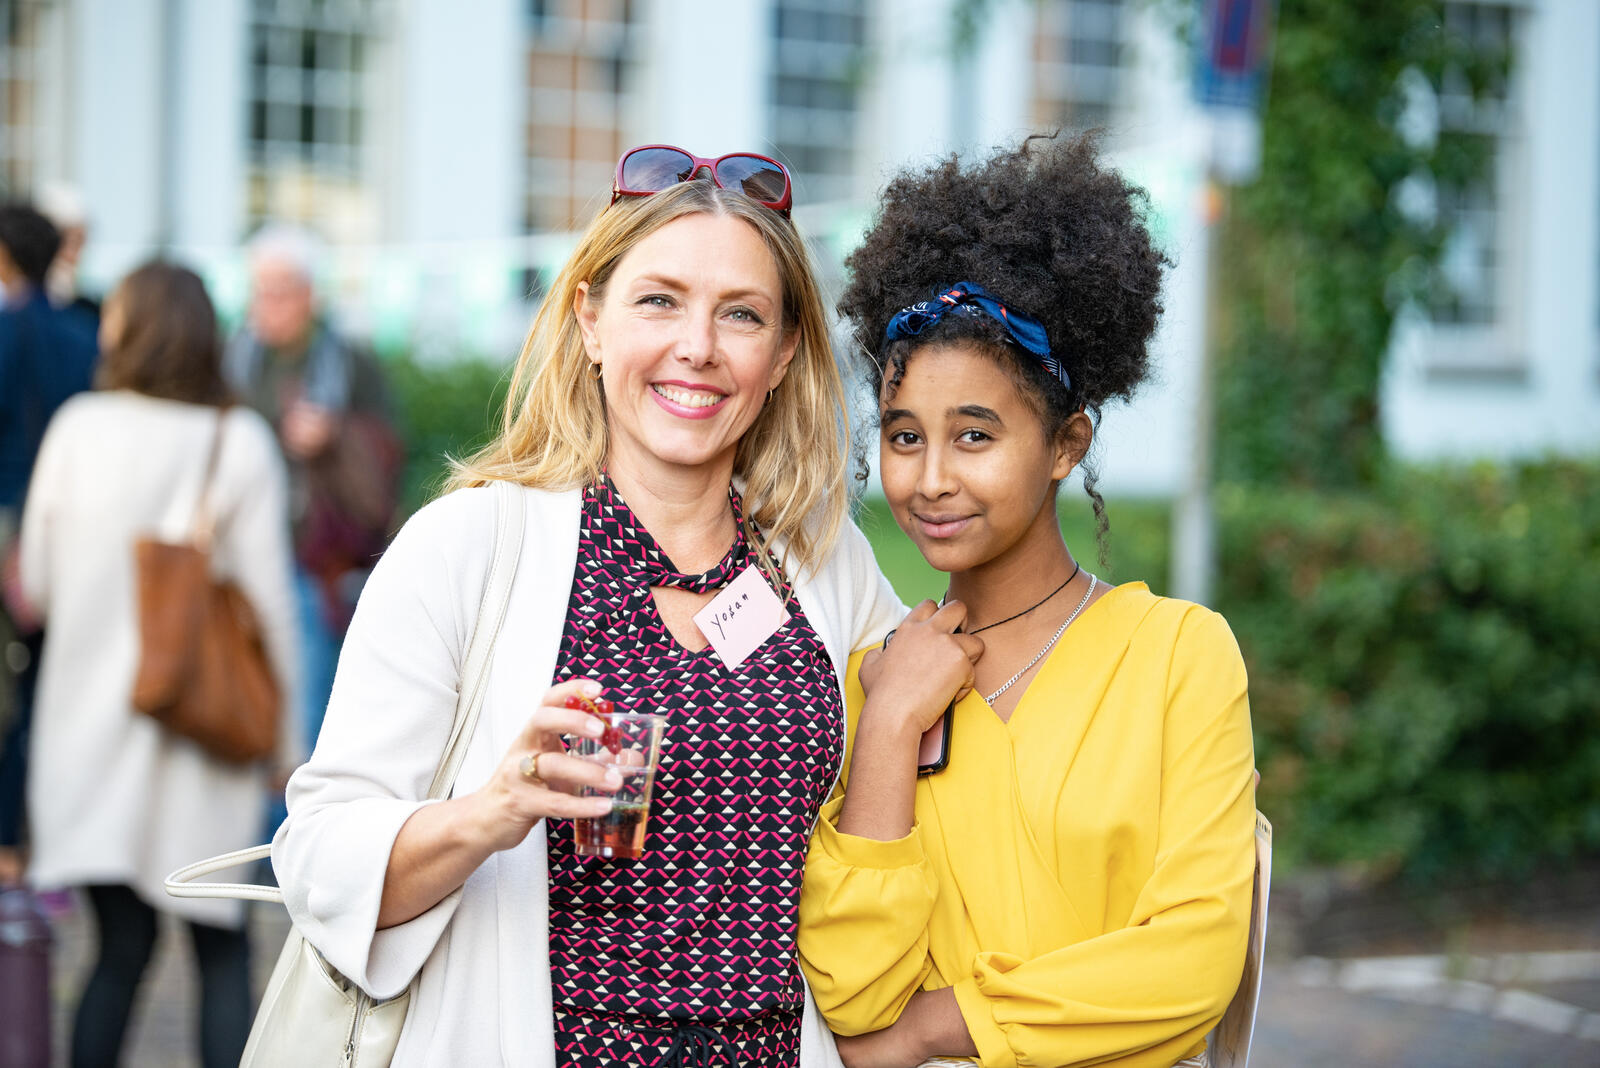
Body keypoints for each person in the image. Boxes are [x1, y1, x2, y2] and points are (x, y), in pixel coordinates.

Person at [272, 147, 903, 1065]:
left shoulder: (822, 565)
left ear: (783, 354)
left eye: (742, 315)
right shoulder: (469, 549)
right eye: (660, 300)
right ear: (590, 318)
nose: (698, 346)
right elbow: (320, 857)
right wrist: (493, 809)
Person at [796, 135, 1258, 1068]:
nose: (928, 479)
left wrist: (937, 1025)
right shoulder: (872, 677)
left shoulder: (1177, 656)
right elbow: (852, 991)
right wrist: (888, 727)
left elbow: (1193, 960)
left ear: (1065, 443)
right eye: (902, 435)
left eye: (975, 436)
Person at [19, 263, 300, 1067]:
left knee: (116, 953)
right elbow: (270, 606)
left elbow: (34, 584)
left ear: (126, 328)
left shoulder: (79, 427)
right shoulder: (236, 440)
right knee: (219, 954)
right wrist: (285, 749)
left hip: (89, 735)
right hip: (202, 741)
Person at [225, 223, 402, 756]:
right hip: (241, 547)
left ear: (309, 293)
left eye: (281, 289)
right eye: (261, 289)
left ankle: (289, 829)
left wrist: (333, 434)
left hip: (314, 556)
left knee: (308, 703)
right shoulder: (236, 355)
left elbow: (392, 447)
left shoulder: (349, 358)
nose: (268, 303)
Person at [0, 202, 98, 884]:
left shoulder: (7, 333)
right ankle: (37, 844)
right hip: (72, 533)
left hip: (9, 526)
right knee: (45, 690)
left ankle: (8, 840)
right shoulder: (84, 333)